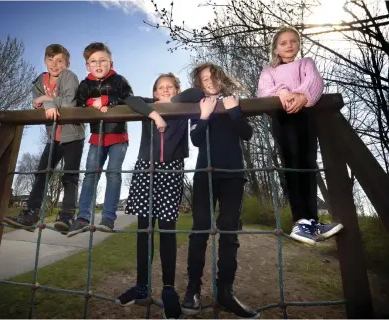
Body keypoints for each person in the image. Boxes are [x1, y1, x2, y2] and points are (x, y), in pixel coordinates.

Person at [115, 73, 198, 319]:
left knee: (168, 230)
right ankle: (141, 286)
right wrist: (153, 112)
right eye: (160, 87)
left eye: (170, 87)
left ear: (177, 90)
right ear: (153, 92)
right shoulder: (147, 105)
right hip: (146, 168)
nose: (165, 90)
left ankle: (169, 289)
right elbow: (128, 98)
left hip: (171, 170)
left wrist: (173, 100)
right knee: (144, 231)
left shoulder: (183, 107)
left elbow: (196, 93)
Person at [180, 63, 258, 318]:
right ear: (199, 84)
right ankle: (192, 289)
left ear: (221, 78)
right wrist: (203, 116)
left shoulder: (233, 100)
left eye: (212, 77)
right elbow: (196, 140)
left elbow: (247, 134)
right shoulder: (199, 105)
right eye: (204, 79)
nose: (209, 82)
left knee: (229, 232)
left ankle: (226, 291)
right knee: (200, 229)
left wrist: (234, 112)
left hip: (234, 175)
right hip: (205, 175)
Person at [257, 26, 343, 246]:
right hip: (283, 119)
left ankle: (313, 221)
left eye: (293, 41)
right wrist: (283, 91)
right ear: (276, 48)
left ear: (299, 44)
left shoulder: (306, 63)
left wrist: (303, 97)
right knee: (292, 164)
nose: (289, 45)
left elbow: (314, 82)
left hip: (305, 116)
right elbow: (264, 91)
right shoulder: (269, 71)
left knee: (309, 165)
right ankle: (300, 221)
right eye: (283, 43)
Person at [3, 44, 84, 234]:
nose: (54, 65)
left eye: (59, 61)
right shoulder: (40, 80)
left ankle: (66, 216)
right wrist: (46, 101)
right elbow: (37, 103)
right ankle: (31, 213)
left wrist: (47, 99)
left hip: (73, 134)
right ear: (45, 60)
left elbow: (69, 102)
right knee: (41, 173)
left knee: (70, 176)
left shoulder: (69, 76)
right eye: (50, 60)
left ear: (67, 63)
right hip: (54, 136)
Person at [67, 42, 133, 235]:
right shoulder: (85, 84)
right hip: (97, 137)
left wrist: (106, 100)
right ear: (87, 66)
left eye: (103, 60)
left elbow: (129, 99)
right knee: (90, 175)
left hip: (117, 136)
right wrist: (91, 103)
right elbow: (78, 104)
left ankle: (108, 218)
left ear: (110, 63)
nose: (98, 64)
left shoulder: (119, 80)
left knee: (113, 174)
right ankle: (83, 217)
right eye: (93, 61)